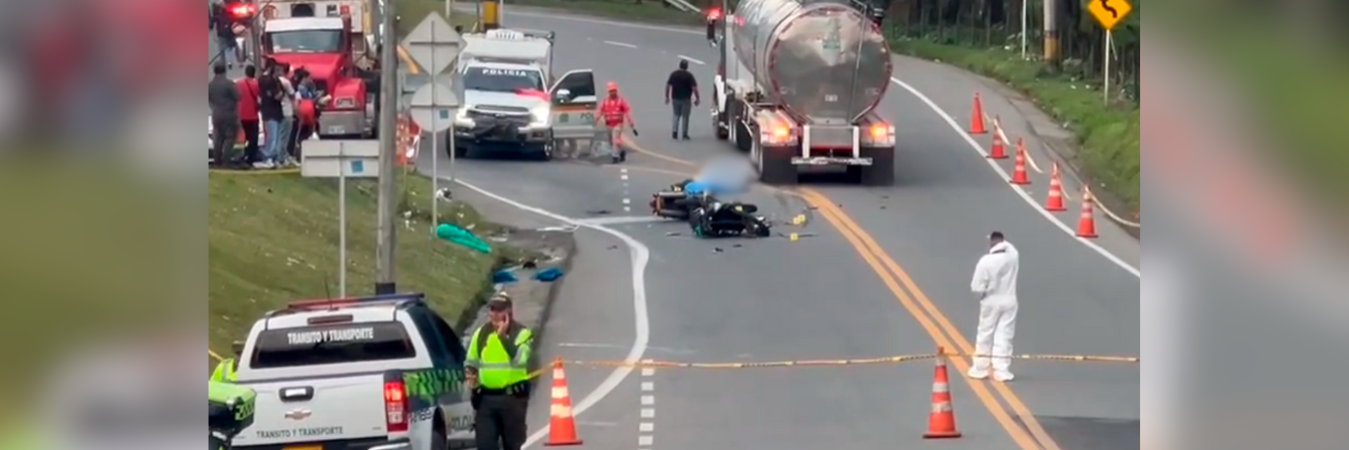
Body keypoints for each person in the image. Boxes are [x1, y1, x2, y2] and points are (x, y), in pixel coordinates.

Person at [465, 293, 535, 450]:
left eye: (499, 310)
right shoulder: (481, 334)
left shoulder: (521, 333)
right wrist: (470, 373)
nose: (495, 314)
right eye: (492, 309)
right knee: (485, 445)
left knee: (513, 445)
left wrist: (503, 337)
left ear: (508, 311)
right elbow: (471, 360)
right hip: (486, 400)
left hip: (512, 400)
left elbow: (520, 360)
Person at [968, 231, 1020, 381]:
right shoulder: (1013, 256)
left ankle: (980, 368)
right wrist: (1002, 241)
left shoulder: (985, 261)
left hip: (991, 301)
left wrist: (983, 293)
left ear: (991, 243)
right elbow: (1009, 247)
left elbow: (976, 287)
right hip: (1009, 300)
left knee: (985, 333)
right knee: (1005, 335)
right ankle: (1001, 369)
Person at [209, 63, 241, 168]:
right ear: (224, 71)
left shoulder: (210, 85)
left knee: (218, 138)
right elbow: (238, 96)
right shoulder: (229, 84)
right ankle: (226, 161)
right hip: (229, 113)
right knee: (230, 137)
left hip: (216, 113)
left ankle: (217, 160)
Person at [256, 63, 288, 168]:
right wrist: (280, 94)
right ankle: (267, 157)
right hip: (270, 112)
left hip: (277, 112)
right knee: (272, 137)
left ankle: (274, 158)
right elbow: (277, 96)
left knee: (277, 137)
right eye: (278, 70)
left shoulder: (277, 82)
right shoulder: (267, 82)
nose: (280, 73)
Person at [596, 81, 637, 164]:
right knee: (611, 142)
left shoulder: (621, 101)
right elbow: (599, 111)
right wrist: (595, 120)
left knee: (616, 140)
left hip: (618, 124)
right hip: (608, 124)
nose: (613, 92)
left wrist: (631, 123)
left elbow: (627, 112)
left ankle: (615, 156)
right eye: (611, 91)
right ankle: (621, 152)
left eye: (614, 90)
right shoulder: (605, 101)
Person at [665, 59, 699, 140]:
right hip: (686, 99)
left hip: (675, 98)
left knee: (676, 115)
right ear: (687, 67)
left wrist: (667, 96)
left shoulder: (674, 74)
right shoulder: (689, 76)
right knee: (685, 116)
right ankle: (684, 133)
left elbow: (668, 85)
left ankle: (674, 132)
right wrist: (697, 98)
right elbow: (694, 88)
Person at [235, 65, 262, 165]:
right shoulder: (256, 85)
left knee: (241, 138)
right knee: (253, 138)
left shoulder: (238, 83)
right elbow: (259, 98)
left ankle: (240, 156)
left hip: (241, 114)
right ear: (254, 73)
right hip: (253, 115)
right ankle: (251, 158)